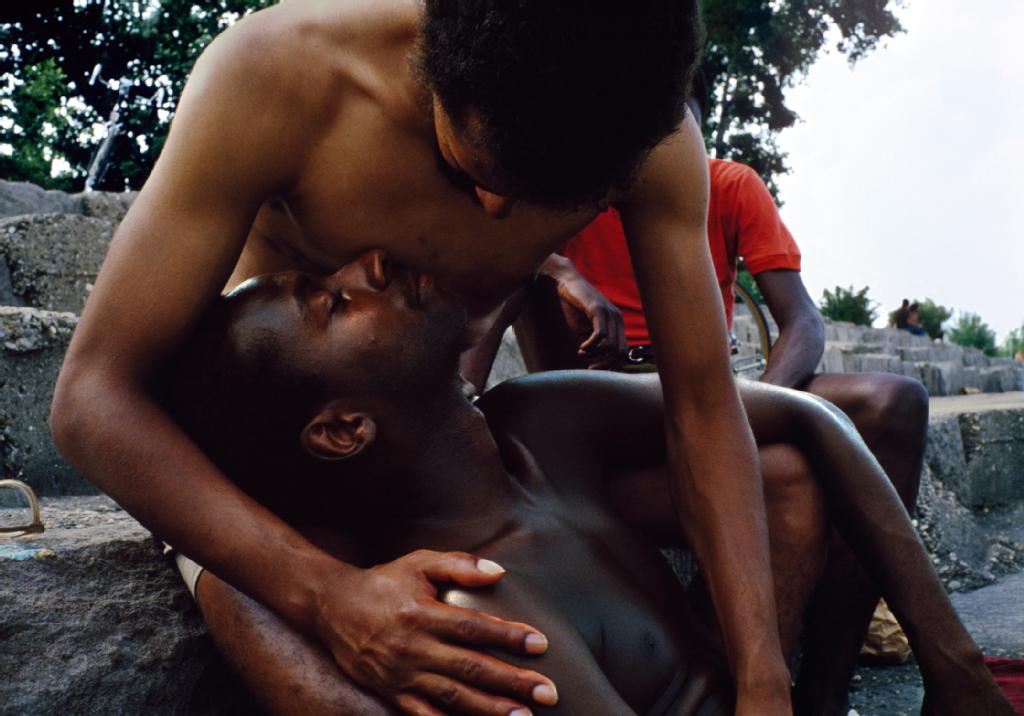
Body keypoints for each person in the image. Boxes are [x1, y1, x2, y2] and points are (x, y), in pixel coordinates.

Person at [49, 2, 794, 712]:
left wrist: (765, 684)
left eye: (545, 197)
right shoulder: (281, 70)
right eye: (469, 170)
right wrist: (328, 596)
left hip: (433, 457)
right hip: (278, 472)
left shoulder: (646, 131)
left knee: (789, 487)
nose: (496, 211)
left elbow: (703, 403)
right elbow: (91, 399)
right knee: (339, 689)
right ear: (435, 62)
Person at [161, 249, 1011, 715]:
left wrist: (955, 669)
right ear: (343, 430)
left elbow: (812, 420)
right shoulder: (477, 604)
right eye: (334, 303)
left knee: (783, 464)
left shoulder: (538, 417)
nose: (370, 265)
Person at [513, 102, 931, 715]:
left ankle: (824, 691)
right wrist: (559, 270)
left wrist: (756, 409)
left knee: (893, 402)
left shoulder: (727, 185)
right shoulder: (550, 190)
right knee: (789, 475)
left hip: (708, 391)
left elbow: (802, 320)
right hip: (602, 425)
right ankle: (716, 681)